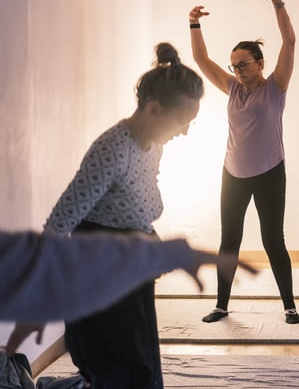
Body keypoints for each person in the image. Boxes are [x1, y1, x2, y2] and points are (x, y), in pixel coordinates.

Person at [42, 42, 204, 389]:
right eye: (183, 122)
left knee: (141, 362)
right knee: (117, 366)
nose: (185, 131)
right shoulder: (112, 151)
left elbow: (143, 190)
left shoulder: (154, 144)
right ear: (154, 109)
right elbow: (61, 220)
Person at [188, 0, 299, 325]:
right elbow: (201, 59)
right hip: (233, 173)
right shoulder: (232, 88)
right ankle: (221, 305)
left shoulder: (275, 87)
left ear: (260, 63)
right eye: (234, 66)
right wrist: (193, 23)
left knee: (273, 240)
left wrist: (277, 3)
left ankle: (290, 306)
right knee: (229, 240)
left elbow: (290, 42)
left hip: (270, 173)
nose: (237, 71)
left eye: (244, 65)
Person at [1, 230, 258, 355]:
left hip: (127, 271)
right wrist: (174, 254)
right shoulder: (116, 153)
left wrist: (39, 302)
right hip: (116, 268)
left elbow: (38, 266)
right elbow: (54, 254)